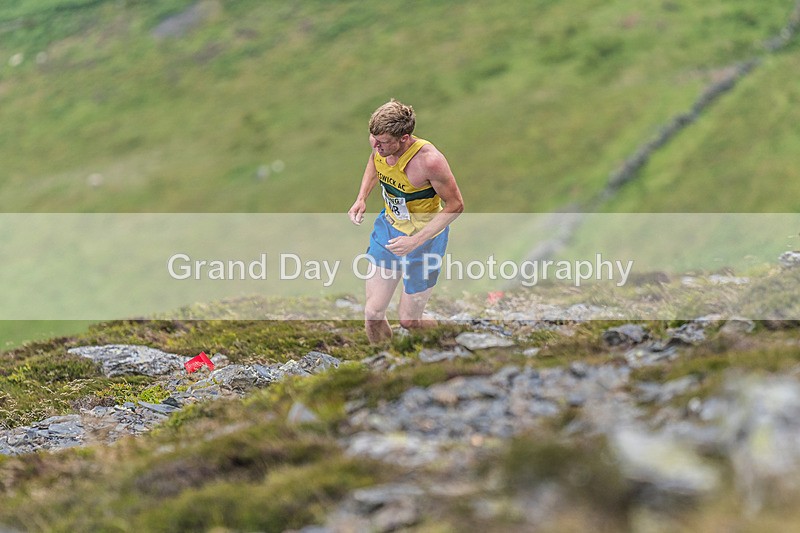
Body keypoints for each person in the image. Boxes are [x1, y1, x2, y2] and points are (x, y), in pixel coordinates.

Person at [348, 99, 464, 343]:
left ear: (404, 137)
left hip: (425, 240)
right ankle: (383, 365)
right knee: (373, 312)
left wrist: (415, 241)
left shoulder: (429, 161)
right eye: (374, 139)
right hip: (389, 231)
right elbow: (374, 162)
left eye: (383, 142)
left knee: (410, 321)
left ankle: (449, 336)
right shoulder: (379, 144)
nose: (376, 146)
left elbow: (456, 206)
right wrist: (361, 198)